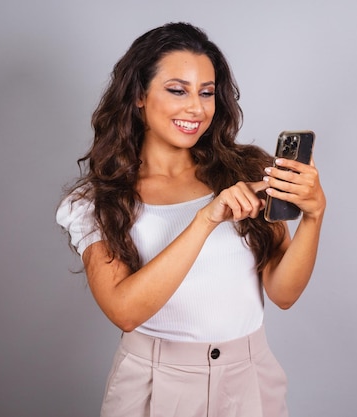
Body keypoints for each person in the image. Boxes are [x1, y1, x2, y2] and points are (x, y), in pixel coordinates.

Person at [56, 22, 325, 417]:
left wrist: (314, 217)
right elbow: (125, 311)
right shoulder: (98, 200)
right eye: (177, 90)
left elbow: (283, 293)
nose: (196, 109)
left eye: (207, 93)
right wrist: (205, 219)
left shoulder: (245, 170)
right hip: (154, 381)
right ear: (138, 96)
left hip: (249, 377)